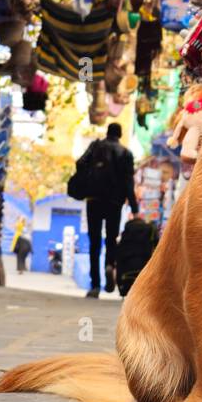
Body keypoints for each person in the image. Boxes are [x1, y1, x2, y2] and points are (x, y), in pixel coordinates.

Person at [70, 123, 138, 298]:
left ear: (107, 133)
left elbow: (80, 163)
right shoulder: (125, 153)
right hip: (114, 202)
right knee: (111, 239)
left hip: (94, 199)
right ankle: (109, 264)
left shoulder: (95, 146)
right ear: (120, 134)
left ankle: (94, 285)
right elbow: (129, 182)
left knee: (94, 242)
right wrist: (134, 207)